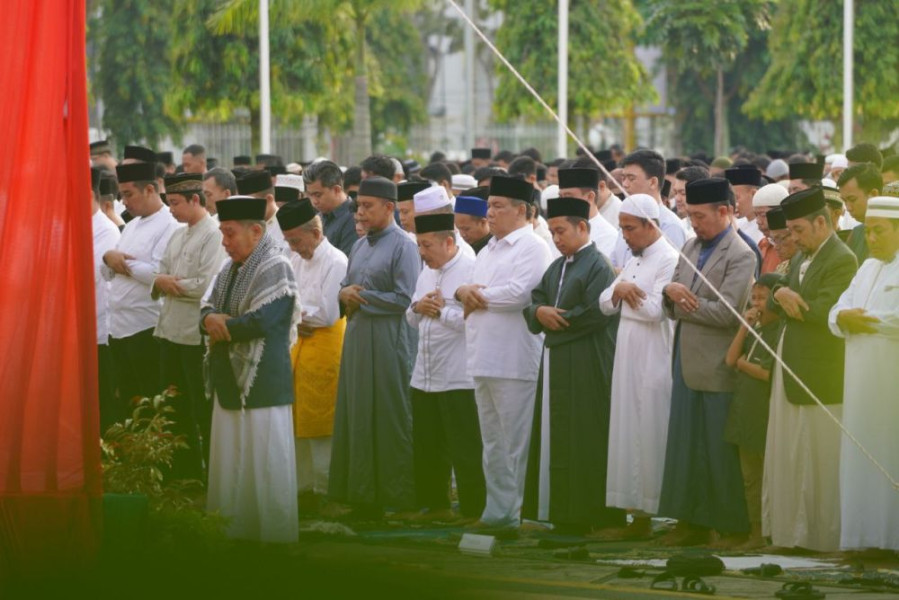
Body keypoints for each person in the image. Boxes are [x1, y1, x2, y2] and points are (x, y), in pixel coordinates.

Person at [658, 177, 756, 547]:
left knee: (718, 452)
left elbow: (729, 314)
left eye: (700, 215)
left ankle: (731, 526)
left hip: (717, 366)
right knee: (684, 449)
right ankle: (690, 523)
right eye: (690, 215)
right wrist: (671, 295)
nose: (694, 222)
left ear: (725, 211)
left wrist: (682, 301)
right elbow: (670, 295)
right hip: (685, 363)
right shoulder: (688, 245)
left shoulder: (742, 254)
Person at [521, 195, 625, 533]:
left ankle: (585, 515)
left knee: (584, 437)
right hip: (556, 361)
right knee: (556, 435)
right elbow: (536, 298)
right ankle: (559, 512)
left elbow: (596, 314)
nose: (556, 238)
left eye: (561, 231)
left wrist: (555, 321)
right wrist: (539, 312)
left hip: (586, 362)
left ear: (583, 227)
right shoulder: (558, 265)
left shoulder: (598, 265)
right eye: (552, 232)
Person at [763, 187, 858, 553]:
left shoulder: (841, 258)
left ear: (822, 222)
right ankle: (792, 534)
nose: (794, 238)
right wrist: (781, 295)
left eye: (799, 230)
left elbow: (823, 312)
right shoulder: (807, 254)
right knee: (790, 453)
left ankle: (820, 537)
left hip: (820, 372)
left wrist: (784, 297)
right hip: (792, 368)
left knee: (818, 457)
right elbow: (780, 291)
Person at [201, 196, 300, 543]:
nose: (225, 243)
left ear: (256, 231)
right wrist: (211, 319)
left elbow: (265, 321)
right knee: (230, 459)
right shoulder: (229, 270)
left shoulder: (276, 266)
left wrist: (221, 325)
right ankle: (233, 529)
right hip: (229, 375)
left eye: (230, 234)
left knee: (265, 460)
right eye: (222, 235)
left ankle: (273, 537)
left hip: (263, 379)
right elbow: (208, 307)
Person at [455, 175, 552, 528]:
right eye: (489, 206)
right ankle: (496, 512)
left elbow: (520, 294)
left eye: (498, 206)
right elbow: (471, 293)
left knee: (516, 442)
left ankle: (519, 512)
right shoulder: (490, 248)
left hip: (514, 358)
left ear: (523, 210)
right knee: (492, 442)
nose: (490, 213)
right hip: (483, 356)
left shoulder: (533, 246)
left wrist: (476, 295)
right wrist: (466, 292)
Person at [328, 177, 421, 518]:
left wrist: (360, 296)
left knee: (388, 414)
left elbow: (405, 298)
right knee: (357, 413)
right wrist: (343, 293)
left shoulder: (404, 246)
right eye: (359, 206)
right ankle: (361, 493)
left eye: (368, 206)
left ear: (389, 207)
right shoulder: (360, 244)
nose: (361, 213)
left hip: (388, 340)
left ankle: (394, 495)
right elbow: (344, 285)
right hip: (358, 336)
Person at [598, 194, 679, 539]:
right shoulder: (633, 258)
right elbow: (603, 303)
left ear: (651, 225)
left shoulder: (670, 259)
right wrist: (621, 289)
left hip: (654, 355)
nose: (625, 236)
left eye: (630, 229)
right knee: (628, 430)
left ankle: (654, 511)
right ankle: (633, 511)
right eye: (622, 229)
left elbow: (656, 311)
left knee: (650, 431)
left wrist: (625, 291)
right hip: (627, 354)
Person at [829, 195, 899, 552]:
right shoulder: (866, 267)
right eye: (868, 231)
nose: (872, 239)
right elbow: (837, 309)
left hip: (890, 386)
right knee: (860, 461)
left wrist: (865, 323)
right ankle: (862, 541)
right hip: (858, 385)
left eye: (880, 231)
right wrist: (843, 318)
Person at [406, 212, 485, 522]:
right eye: (419, 245)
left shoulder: (471, 269)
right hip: (424, 372)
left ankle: (473, 509)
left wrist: (440, 313)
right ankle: (435, 505)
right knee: (427, 443)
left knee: (465, 446)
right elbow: (410, 316)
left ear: (448, 242)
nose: (422, 253)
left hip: (458, 374)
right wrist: (417, 307)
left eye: (427, 245)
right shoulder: (426, 272)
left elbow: (475, 322)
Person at [277, 199, 348, 513]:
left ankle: (326, 489)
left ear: (316, 232)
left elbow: (329, 313)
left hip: (326, 347)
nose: (294, 247)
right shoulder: (294, 258)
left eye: (297, 240)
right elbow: (287, 300)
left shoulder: (337, 260)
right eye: (289, 241)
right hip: (297, 347)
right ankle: (302, 488)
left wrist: (296, 316)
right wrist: (297, 316)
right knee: (297, 421)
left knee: (322, 423)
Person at [152, 173, 224, 478]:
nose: (171, 210)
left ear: (196, 200)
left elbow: (206, 285)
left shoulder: (215, 234)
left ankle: (211, 478)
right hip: (169, 331)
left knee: (200, 409)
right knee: (174, 407)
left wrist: (167, 283)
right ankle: (183, 475)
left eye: (175, 203)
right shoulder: (178, 234)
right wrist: (165, 281)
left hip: (194, 336)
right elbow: (161, 272)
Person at [102, 162, 179, 417]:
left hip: (146, 329)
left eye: (128, 194)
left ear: (149, 189)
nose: (124, 203)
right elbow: (108, 273)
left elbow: (158, 273)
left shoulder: (170, 224)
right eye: (121, 195)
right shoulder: (132, 225)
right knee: (128, 406)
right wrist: (108, 258)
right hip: (119, 328)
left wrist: (119, 261)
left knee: (153, 407)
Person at [723, 274, 782, 549]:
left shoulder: (780, 330)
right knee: (750, 478)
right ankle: (755, 532)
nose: (757, 304)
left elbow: (765, 373)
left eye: (763, 298)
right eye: (754, 298)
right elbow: (731, 359)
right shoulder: (754, 329)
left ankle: (772, 531)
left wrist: (745, 365)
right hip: (743, 412)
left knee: (769, 475)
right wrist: (744, 327)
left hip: (764, 413)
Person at [611, 150, 687, 268]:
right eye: (623, 178)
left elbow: (671, 274)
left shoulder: (670, 226)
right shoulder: (625, 219)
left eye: (631, 179)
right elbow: (614, 264)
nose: (625, 185)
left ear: (652, 182)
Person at [91, 167, 122, 433]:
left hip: (100, 332)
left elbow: (89, 277)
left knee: (105, 408)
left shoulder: (107, 231)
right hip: (75, 333)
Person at [557, 167, 618, 259]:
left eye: (568, 197)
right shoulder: (557, 232)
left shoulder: (608, 236)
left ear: (590, 197)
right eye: (561, 197)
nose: (563, 203)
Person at [304, 160, 358, 256]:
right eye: (310, 195)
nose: (314, 201)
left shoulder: (354, 218)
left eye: (318, 195)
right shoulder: (318, 217)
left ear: (336, 190)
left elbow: (346, 263)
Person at [838, 163, 882, 264]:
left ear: (874, 194)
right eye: (844, 201)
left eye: (852, 199)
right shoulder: (856, 234)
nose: (848, 208)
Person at [752, 184, 790, 274]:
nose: (758, 221)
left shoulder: (791, 245)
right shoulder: (763, 244)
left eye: (763, 215)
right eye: (756, 215)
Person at [725, 167, 763, 244]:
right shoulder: (737, 223)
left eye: (737, 198)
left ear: (753, 194)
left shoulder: (763, 228)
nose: (733, 203)